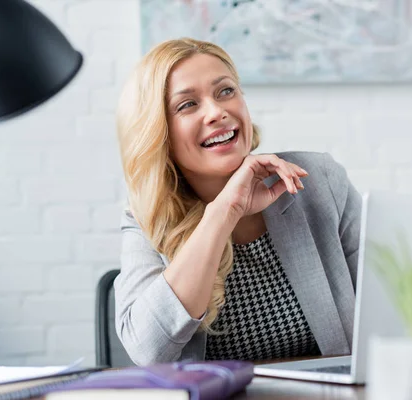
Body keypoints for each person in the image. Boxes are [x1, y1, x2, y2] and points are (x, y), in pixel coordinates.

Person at [114, 37, 362, 366]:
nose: (217, 112)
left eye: (226, 91)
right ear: (158, 131)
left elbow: (391, 308)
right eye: (188, 104)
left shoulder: (319, 181)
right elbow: (148, 350)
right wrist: (223, 214)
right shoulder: (147, 218)